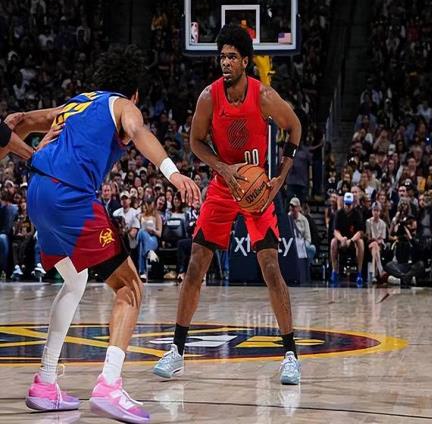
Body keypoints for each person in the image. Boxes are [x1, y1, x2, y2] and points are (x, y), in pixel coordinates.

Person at [14, 47, 200, 423]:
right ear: (135, 92)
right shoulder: (122, 105)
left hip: (37, 193)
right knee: (130, 287)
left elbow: (16, 121)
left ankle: (45, 382)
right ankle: (109, 385)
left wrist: (30, 149)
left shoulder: (75, 103)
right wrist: (173, 173)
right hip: (70, 196)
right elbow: (139, 131)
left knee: (75, 280)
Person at [153, 25, 302, 385]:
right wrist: (222, 168)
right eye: (222, 56)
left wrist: (279, 178)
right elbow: (195, 141)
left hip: (256, 190)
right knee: (195, 266)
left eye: (232, 56)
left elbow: (295, 128)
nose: (226, 62)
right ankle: (176, 351)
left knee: (271, 268)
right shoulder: (209, 97)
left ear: (246, 61)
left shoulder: (264, 96)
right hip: (223, 187)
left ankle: (290, 355)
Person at [330, 192, 365, 286]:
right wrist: (342, 239)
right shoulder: (339, 213)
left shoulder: (357, 214)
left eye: (350, 204)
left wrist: (351, 240)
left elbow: (360, 232)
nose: (348, 206)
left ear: (353, 203)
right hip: (342, 240)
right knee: (333, 242)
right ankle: (334, 271)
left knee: (361, 243)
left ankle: (359, 273)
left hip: (353, 240)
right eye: (346, 204)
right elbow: (335, 231)